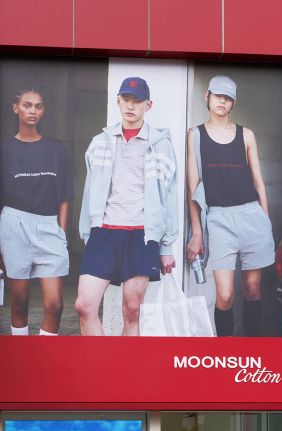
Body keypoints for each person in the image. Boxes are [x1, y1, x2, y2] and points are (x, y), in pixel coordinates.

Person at [75, 76, 179, 336]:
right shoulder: (100, 142)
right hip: (104, 232)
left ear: (148, 105)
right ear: (118, 101)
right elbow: (89, 191)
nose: (130, 106)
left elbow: (169, 197)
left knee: (132, 310)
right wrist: (88, 233)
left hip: (141, 235)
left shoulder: (161, 146)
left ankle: (124, 363)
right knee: (84, 306)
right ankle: (101, 361)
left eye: (137, 101)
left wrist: (166, 246)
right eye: (126, 100)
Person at [185, 75, 274, 337]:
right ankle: (225, 351)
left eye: (227, 98)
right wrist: (197, 232)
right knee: (224, 295)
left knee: (252, 289)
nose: (222, 101)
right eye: (217, 96)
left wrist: (265, 221)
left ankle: (252, 349)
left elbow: (258, 182)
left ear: (233, 102)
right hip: (218, 220)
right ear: (207, 97)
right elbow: (193, 187)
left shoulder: (246, 135)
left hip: (251, 216)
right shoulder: (195, 135)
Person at [0, 88, 73, 335]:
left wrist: (61, 234)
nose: (33, 110)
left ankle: (45, 356)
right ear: (16, 108)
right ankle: (23, 356)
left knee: (55, 305)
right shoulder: (5, 150)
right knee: (19, 304)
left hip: (49, 227)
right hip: (13, 226)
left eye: (38, 106)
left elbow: (64, 197)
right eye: (27, 105)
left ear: (43, 111)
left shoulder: (56, 150)